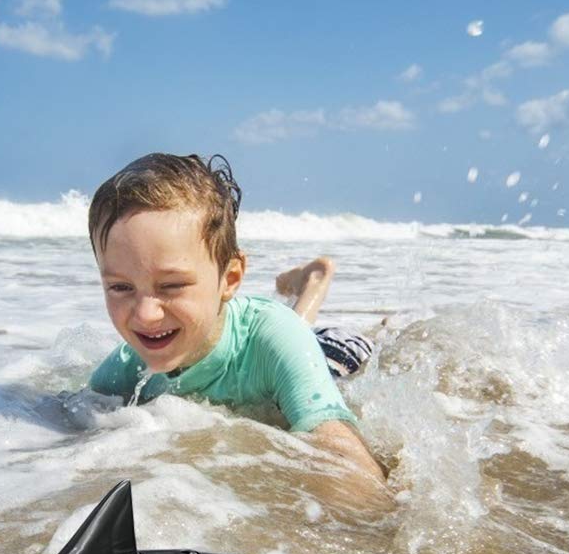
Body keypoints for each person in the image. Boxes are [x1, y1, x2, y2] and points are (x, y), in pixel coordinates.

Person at [87, 152, 388, 508]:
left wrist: (368, 522)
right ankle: (306, 282)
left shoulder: (275, 337)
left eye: (170, 286)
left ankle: (317, 279)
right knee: (289, 330)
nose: (146, 315)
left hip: (329, 355)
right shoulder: (124, 365)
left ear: (230, 279)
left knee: (332, 340)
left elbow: (337, 443)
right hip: (269, 336)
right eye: (121, 288)